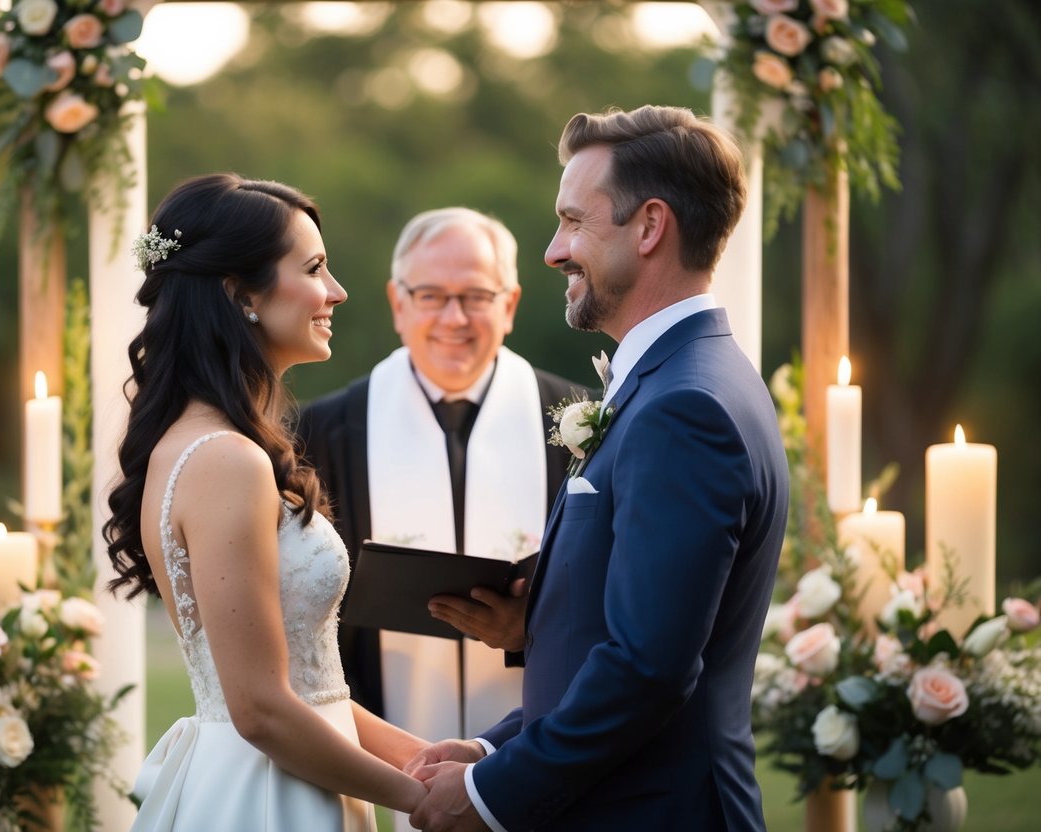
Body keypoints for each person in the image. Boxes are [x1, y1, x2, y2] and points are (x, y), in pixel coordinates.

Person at [407, 106, 791, 831]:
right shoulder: (677, 379)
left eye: (574, 222)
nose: (553, 251)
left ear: (649, 227)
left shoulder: (686, 406)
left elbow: (648, 668)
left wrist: (492, 793)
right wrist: (496, 746)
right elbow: (619, 635)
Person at [103, 173, 428, 831]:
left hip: (294, 771)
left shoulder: (206, 444)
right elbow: (258, 708)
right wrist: (424, 805)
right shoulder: (225, 460)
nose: (336, 291)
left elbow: (312, 686)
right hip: (268, 796)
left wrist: (425, 762)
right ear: (238, 293)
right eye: (313, 268)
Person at [296, 208, 579, 803]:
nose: (454, 318)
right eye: (430, 295)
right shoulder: (320, 432)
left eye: (476, 295)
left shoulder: (578, 423)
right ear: (398, 303)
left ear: (511, 303)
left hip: (539, 749)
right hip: (373, 756)